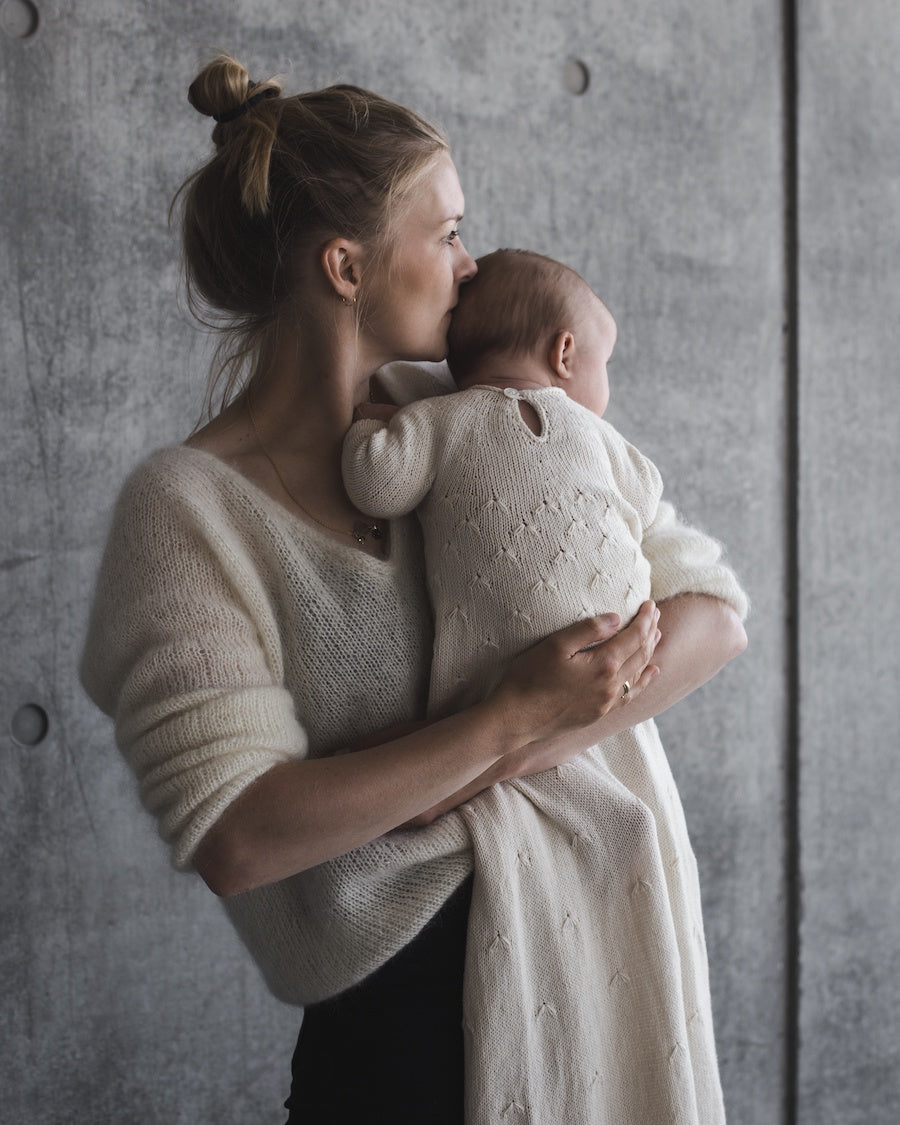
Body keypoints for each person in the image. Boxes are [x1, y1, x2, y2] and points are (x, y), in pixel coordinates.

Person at [79, 53, 747, 1125]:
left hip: (605, 987)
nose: (469, 264)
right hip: (402, 1053)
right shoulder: (189, 512)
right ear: (347, 267)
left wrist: (534, 736)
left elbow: (711, 613)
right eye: (445, 234)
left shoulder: (486, 416)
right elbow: (239, 836)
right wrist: (512, 716)